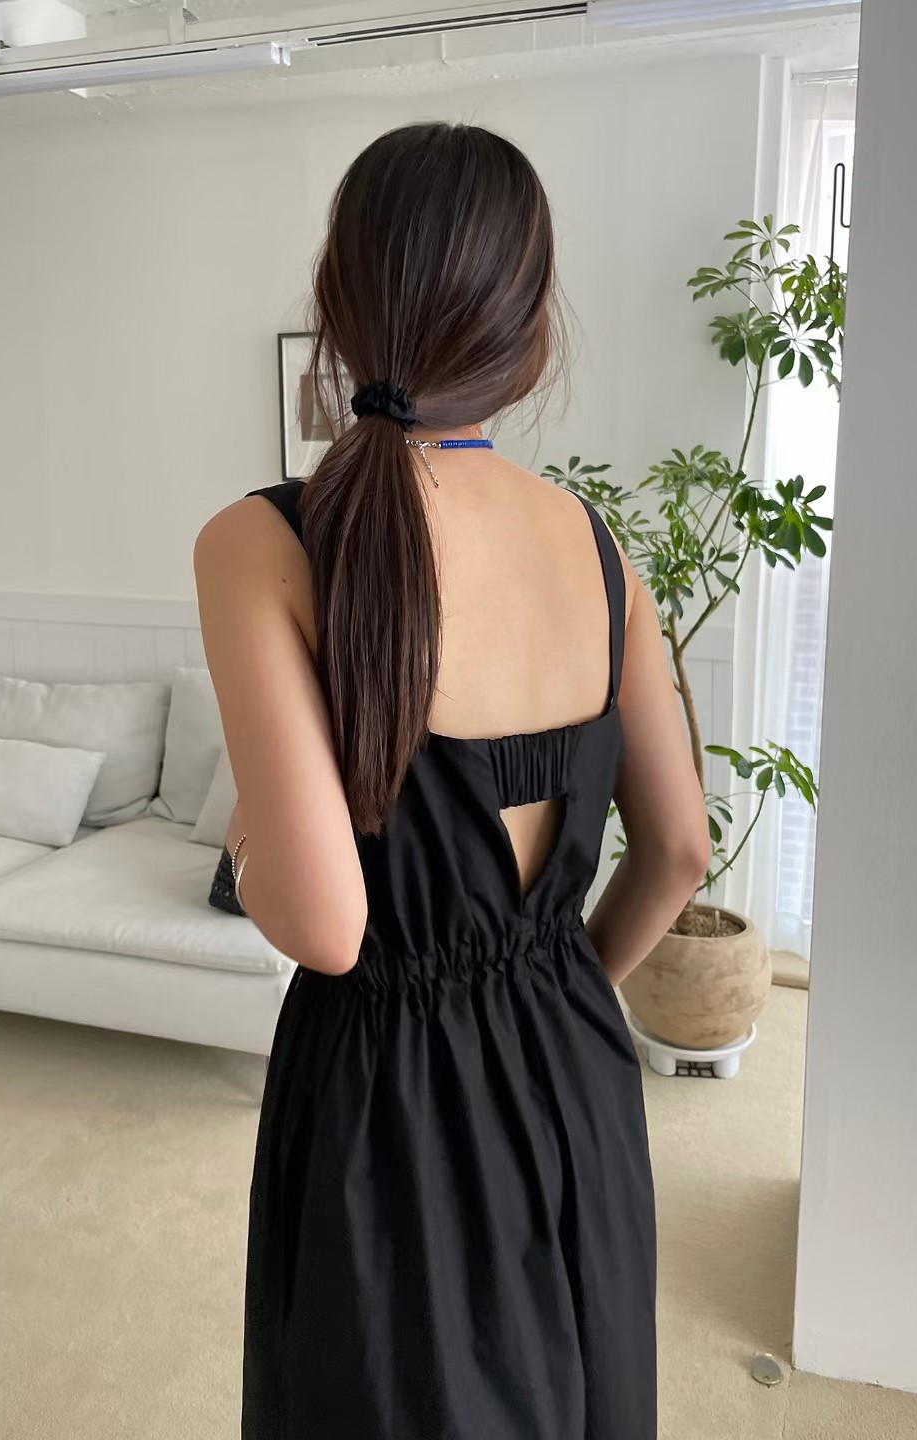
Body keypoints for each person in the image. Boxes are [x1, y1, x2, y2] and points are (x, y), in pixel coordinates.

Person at [194, 121, 709, 1440]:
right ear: (529, 331)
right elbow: (681, 851)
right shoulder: (597, 547)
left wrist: (247, 835)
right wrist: (554, 991)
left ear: (337, 304)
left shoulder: (262, 541)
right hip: (574, 1057)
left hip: (386, 1097)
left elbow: (325, 926)